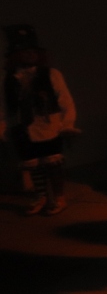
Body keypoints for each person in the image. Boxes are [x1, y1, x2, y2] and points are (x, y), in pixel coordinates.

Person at [1, 25, 77, 216]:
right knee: (34, 166)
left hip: (48, 126)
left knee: (53, 165)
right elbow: (4, 105)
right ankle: (41, 196)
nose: (29, 54)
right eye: (24, 51)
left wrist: (67, 124)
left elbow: (65, 100)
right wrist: (3, 126)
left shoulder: (51, 74)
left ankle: (59, 198)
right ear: (15, 55)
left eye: (32, 51)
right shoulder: (9, 78)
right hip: (22, 128)